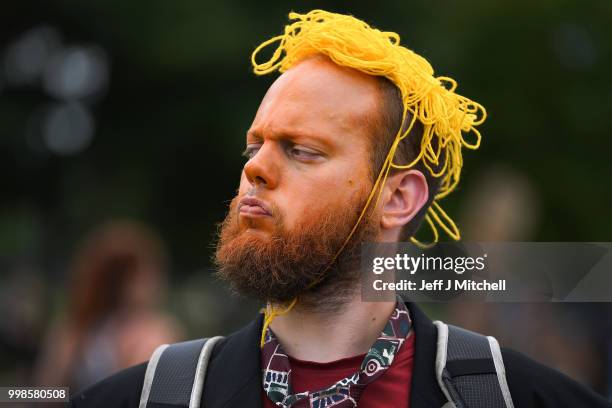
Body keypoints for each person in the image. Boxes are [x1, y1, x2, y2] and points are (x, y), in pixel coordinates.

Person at [70, 10, 611, 408]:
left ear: (398, 199)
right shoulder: (148, 397)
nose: (255, 169)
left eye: (301, 150)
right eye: (253, 146)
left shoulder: (517, 396)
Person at [35, 220, 182, 392]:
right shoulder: (152, 334)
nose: (157, 282)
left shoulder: (73, 328)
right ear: (122, 280)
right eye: (149, 272)